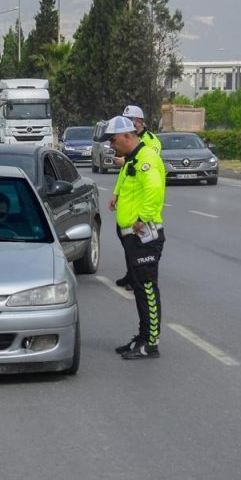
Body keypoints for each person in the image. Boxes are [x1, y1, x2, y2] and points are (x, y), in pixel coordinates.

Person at [105, 115, 167, 360]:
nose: (111, 145)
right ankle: (142, 337)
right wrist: (116, 194)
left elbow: (154, 190)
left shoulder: (147, 158)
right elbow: (126, 178)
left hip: (144, 236)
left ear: (127, 136)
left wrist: (143, 217)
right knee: (140, 289)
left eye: (113, 140)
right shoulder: (133, 158)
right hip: (132, 236)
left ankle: (151, 344)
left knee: (147, 289)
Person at [112, 104, 164, 289]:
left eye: (131, 120)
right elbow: (126, 173)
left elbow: (146, 168)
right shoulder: (127, 144)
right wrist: (116, 193)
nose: (127, 123)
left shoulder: (150, 142)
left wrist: (144, 217)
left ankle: (137, 276)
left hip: (142, 202)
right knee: (126, 238)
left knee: (140, 245)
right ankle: (131, 274)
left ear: (140, 121)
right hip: (129, 199)